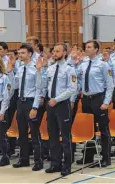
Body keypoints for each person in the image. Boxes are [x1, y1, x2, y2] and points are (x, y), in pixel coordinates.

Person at [74, 40, 114, 167]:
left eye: (89, 47)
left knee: (103, 129)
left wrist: (106, 102)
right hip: (86, 99)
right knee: (88, 128)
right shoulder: (84, 64)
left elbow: (110, 84)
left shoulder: (103, 65)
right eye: (86, 47)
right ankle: (89, 155)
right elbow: (76, 76)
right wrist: (74, 62)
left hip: (98, 99)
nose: (87, 49)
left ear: (96, 50)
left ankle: (106, 157)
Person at [7, 44, 43, 171]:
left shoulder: (35, 68)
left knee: (34, 133)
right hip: (21, 102)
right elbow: (15, 85)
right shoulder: (21, 68)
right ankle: (24, 159)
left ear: (30, 54)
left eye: (23, 53)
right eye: (19, 53)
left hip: (31, 102)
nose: (20, 55)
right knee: (22, 133)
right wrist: (10, 71)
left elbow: (39, 89)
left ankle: (38, 161)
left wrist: (35, 107)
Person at [45, 43, 77, 176]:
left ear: (64, 53)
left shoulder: (69, 69)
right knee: (52, 136)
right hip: (50, 105)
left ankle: (67, 165)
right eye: (54, 51)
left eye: (58, 51)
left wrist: (57, 99)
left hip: (62, 104)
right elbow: (47, 85)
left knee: (65, 136)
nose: (54, 53)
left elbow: (72, 89)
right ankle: (55, 163)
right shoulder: (50, 68)